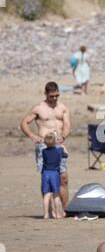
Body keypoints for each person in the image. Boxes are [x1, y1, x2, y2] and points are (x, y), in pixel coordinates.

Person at [20, 81, 71, 209]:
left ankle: (63, 210)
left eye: (56, 96)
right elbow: (24, 123)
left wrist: (63, 136)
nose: (54, 98)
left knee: (63, 177)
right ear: (46, 94)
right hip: (44, 145)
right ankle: (48, 210)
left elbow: (67, 125)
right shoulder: (38, 108)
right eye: (51, 96)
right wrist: (32, 136)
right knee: (47, 177)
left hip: (59, 145)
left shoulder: (63, 108)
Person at [41, 132, 68, 219]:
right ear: (55, 142)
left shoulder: (43, 151)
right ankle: (58, 214)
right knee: (56, 195)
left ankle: (46, 214)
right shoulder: (59, 150)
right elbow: (65, 155)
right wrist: (62, 146)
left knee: (46, 194)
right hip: (54, 173)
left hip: (45, 173)